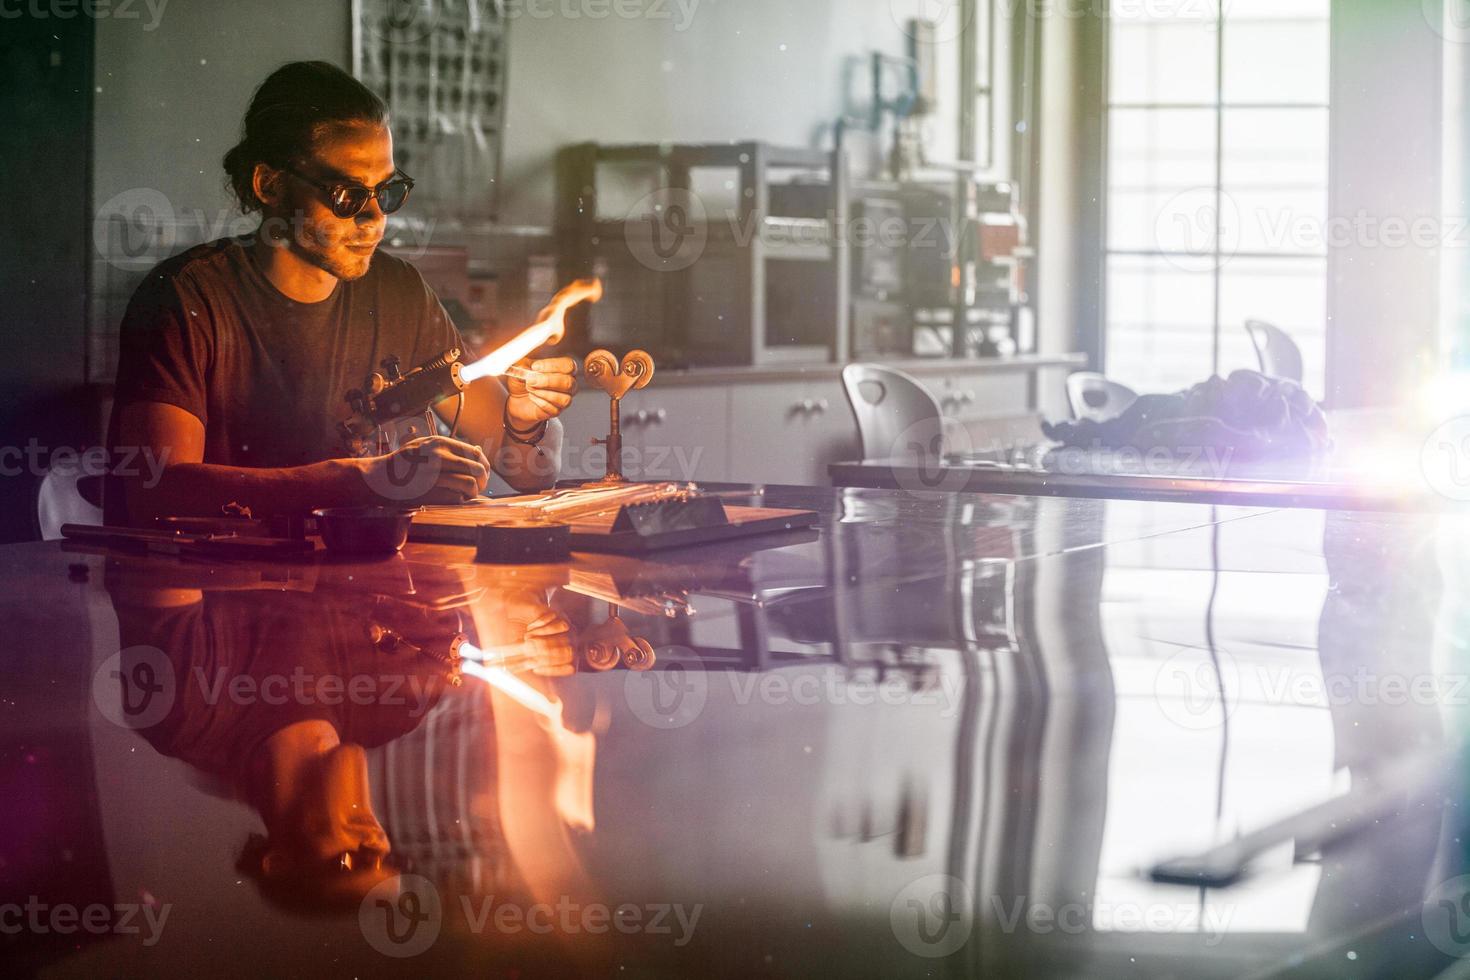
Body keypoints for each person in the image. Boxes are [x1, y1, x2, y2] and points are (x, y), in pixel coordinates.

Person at [106, 61, 578, 525]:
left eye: (388, 192)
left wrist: (523, 423)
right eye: (347, 195)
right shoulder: (188, 299)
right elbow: (157, 492)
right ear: (269, 184)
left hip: (363, 588)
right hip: (218, 591)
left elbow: (528, 474)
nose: (375, 218)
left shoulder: (399, 294)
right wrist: (362, 480)